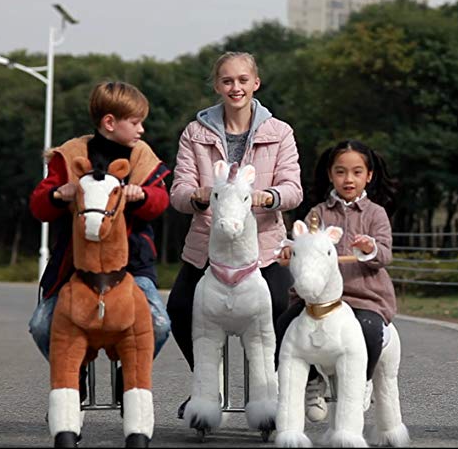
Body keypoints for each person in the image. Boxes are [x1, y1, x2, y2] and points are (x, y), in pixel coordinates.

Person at [167, 51, 304, 418]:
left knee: (280, 308)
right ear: (217, 86)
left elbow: (293, 188)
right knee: (179, 309)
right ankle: (207, 386)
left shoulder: (280, 132)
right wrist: (196, 197)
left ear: (255, 83)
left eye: (243, 80)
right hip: (208, 246)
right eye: (227, 81)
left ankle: (271, 390)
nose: (236, 87)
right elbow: (178, 189)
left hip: (264, 247)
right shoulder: (195, 133)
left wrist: (269, 196)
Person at [28, 81, 171, 407]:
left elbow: (160, 203)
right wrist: (57, 194)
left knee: (159, 324)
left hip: (132, 265)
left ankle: (130, 373)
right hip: (75, 265)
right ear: (110, 122)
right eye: (135, 123)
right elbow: (39, 206)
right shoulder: (70, 156)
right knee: (40, 325)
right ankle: (71, 375)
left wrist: (142, 195)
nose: (142, 129)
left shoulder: (142, 157)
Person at [275, 138, 399, 423]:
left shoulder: (375, 213)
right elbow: (301, 245)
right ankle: (312, 380)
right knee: (284, 324)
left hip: (363, 297)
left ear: (369, 175)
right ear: (331, 174)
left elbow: (385, 255)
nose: (349, 179)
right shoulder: (318, 213)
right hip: (316, 299)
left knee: (369, 329)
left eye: (357, 172)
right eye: (341, 171)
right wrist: (290, 249)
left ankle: (362, 379)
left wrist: (371, 249)